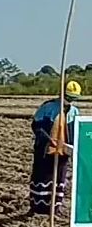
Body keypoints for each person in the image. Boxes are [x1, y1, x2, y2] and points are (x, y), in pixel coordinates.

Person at [29, 81, 82, 216]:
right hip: (46, 151)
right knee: (42, 178)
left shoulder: (75, 111)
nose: (70, 100)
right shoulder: (48, 108)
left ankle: (55, 208)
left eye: (73, 98)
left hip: (63, 151)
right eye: (68, 97)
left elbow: (76, 130)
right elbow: (37, 126)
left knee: (59, 179)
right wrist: (48, 139)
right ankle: (38, 208)